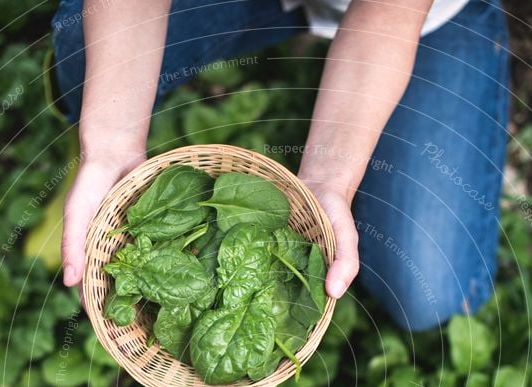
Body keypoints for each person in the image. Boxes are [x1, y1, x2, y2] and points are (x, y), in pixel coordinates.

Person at [52, 0, 509, 331]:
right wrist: (110, 147)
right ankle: (101, 175)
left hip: (409, 17)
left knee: (429, 290)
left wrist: (330, 180)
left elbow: (387, 12)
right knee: (83, 43)